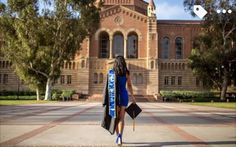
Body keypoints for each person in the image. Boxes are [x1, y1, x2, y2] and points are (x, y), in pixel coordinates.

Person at [113, 55, 136, 145]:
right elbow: (129, 85)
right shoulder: (126, 72)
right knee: (122, 118)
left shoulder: (112, 72)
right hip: (124, 96)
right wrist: (133, 96)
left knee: (115, 119)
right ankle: (120, 136)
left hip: (114, 97)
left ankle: (117, 137)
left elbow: (109, 86)